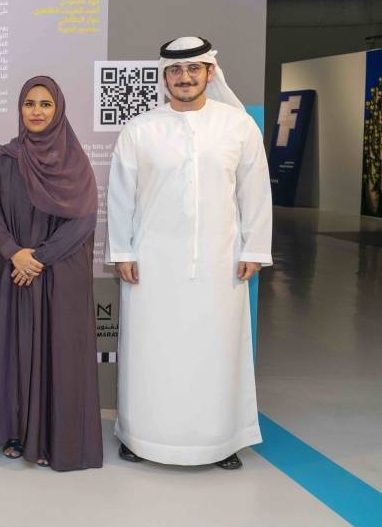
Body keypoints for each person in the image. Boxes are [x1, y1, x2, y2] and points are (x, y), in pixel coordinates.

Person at [106, 37, 273, 469]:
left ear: (210, 72)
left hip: (220, 261)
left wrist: (254, 245)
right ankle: (140, 436)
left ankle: (220, 440)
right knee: (151, 351)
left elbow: (256, 192)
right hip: (152, 265)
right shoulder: (140, 129)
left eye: (194, 69)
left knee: (216, 350)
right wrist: (122, 250)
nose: (185, 78)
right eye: (176, 71)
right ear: (165, 77)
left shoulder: (238, 127)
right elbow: (121, 196)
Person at [0, 75, 103, 470]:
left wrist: (39, 258)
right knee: (13, 349)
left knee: (56, 351)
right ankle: (16, 431)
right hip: (12, 270)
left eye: (45, 104)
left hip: (57, 272)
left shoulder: (75, 164)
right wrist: (14, 253)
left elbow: (83, 221)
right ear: (20, 110)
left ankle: (53, 436)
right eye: (30, 104)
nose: (37, 111)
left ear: (58, 109)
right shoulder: (5, 160)